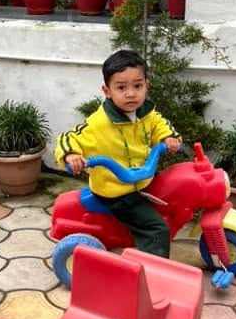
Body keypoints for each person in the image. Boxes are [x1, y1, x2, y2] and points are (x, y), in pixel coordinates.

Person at [55, 49, 181, 258]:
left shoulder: (146, 114)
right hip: (117, 192)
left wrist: (167, 138)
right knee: (157, 229)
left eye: (137, 86)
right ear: (107, 91)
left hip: (142, 181)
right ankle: (153, 272)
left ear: (146, 86)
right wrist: (71, 155)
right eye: (121, 87)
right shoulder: (99, 124)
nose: (131, 93)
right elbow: (68, 137)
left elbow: (160, 124)